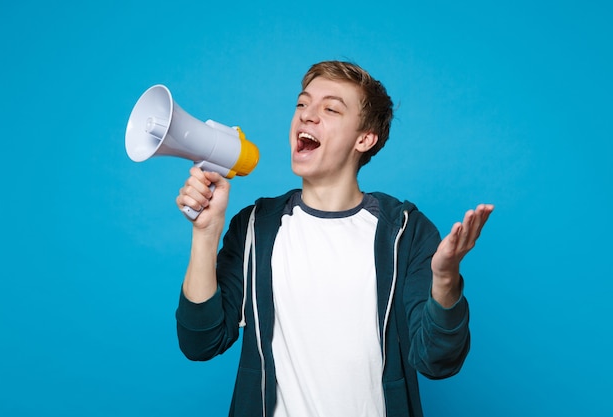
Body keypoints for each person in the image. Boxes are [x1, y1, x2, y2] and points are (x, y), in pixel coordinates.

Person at [174, 60, 494, 417]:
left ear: (365, 138)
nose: (307, 116)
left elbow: (438, 362)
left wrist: (446, 281)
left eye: (330, 109)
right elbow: (200, 342)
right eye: (302, 104)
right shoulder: (254, 227)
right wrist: (205, 235)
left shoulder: (406, 232)